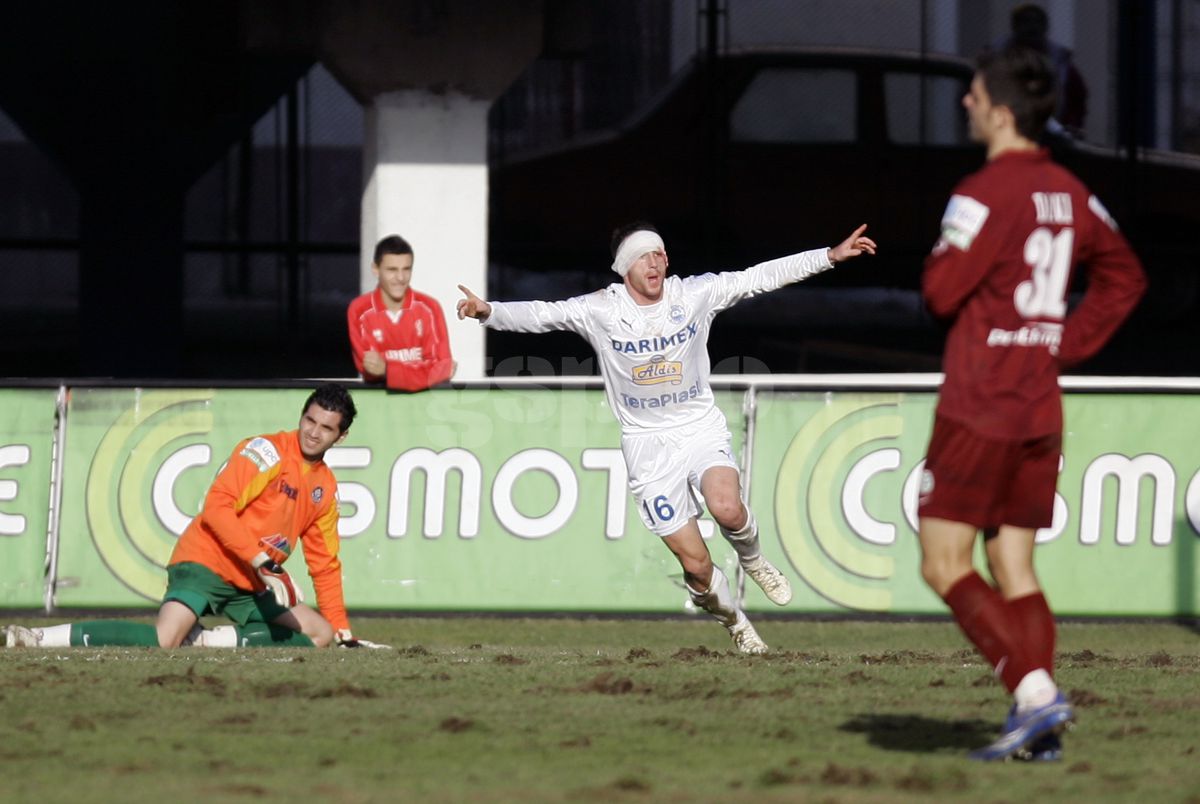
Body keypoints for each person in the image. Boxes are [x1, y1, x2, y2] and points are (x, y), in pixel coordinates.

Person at [457, 223, 876, 653]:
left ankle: (753, 561)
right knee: (696, 567)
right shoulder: (601, 310)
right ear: (624, 268)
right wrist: (489, 311)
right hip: (646, 447)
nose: (654, 263)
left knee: (727, 508)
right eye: (643, 256)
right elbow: (543, 314)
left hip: (698, 428)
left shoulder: (692, 295)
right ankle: (734, 620)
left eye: (659, 254)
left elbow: (757, 278)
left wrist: (828, 255)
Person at [918, 47, 1145, 761]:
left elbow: (940, 293)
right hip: (1039, 411)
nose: (966, 103)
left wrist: (1040, 334)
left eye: (975, 94)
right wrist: (1061, 343)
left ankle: (1035, 694)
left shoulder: (982, 192)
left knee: (942, 561)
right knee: (1014, 565)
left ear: (1003, 111)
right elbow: (1125, 276)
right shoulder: (1071, 191)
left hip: (979, 404)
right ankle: (1037, 733)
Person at [4, 383, 388, 650]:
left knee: (319, 634)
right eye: (310, 420)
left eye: (326, 428)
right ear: (302, 416)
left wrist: (343, 631)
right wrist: (261, 559)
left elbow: (324, 564)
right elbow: (217, 508)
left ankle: (209, 640)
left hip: (251, 580)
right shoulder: (267, 451)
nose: (313, 432)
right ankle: (40, 637)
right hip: (206, 560)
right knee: (163, 641)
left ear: (342, 435)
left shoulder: (325, 488)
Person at [348, 234, 454, 392]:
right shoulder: (359, 311)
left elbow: (443, 368)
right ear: (375, 269)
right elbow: (370, 371)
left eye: (406, 269)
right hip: (379, 406)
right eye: (392, 270)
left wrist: (387, 371)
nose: (400, 277)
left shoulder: (430, 308)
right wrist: (424, 373)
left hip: (425, 406)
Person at [996, 3, 1088, 138]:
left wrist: (1070, 125)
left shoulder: (1060, 63)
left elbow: (1077, 97)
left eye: (1037, 22)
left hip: (1051, 134)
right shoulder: (996, 58)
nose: (1031, 27)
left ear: (1045, 27)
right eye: (1025, 21)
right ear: (1014, 26)